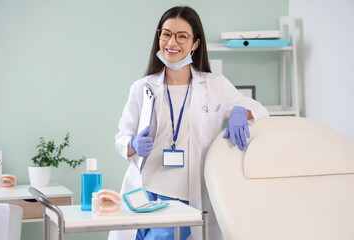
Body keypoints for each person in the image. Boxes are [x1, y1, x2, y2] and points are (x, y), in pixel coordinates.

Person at [109, 6, 269, 240]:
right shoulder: (142, 88)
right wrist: (132, 144)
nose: (171, 42)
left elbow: (259, 109)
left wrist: (238, 111)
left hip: (185, 194)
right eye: (166, 34)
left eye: (182, 36)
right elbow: (121, 137)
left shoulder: (215, 85)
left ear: (195, 43)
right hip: (145, 191)